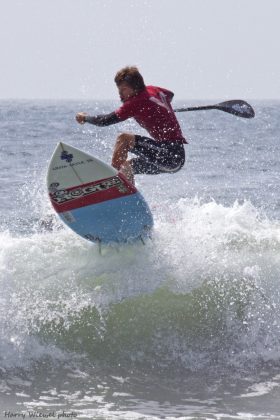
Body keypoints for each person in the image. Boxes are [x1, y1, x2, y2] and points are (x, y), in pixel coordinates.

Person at [76, 66, 187, 184]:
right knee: (126, 168)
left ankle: (112, 183)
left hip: (169, 155)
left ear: (135, 88)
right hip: (175, 159)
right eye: (119, 90)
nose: (120, 94)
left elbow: (105, 120)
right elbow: (170, 95)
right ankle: (124, 196)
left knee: (124, 139)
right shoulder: (153, 90)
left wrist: (85, 118)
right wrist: (161, 108)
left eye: (123, 90)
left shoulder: (136, 102)